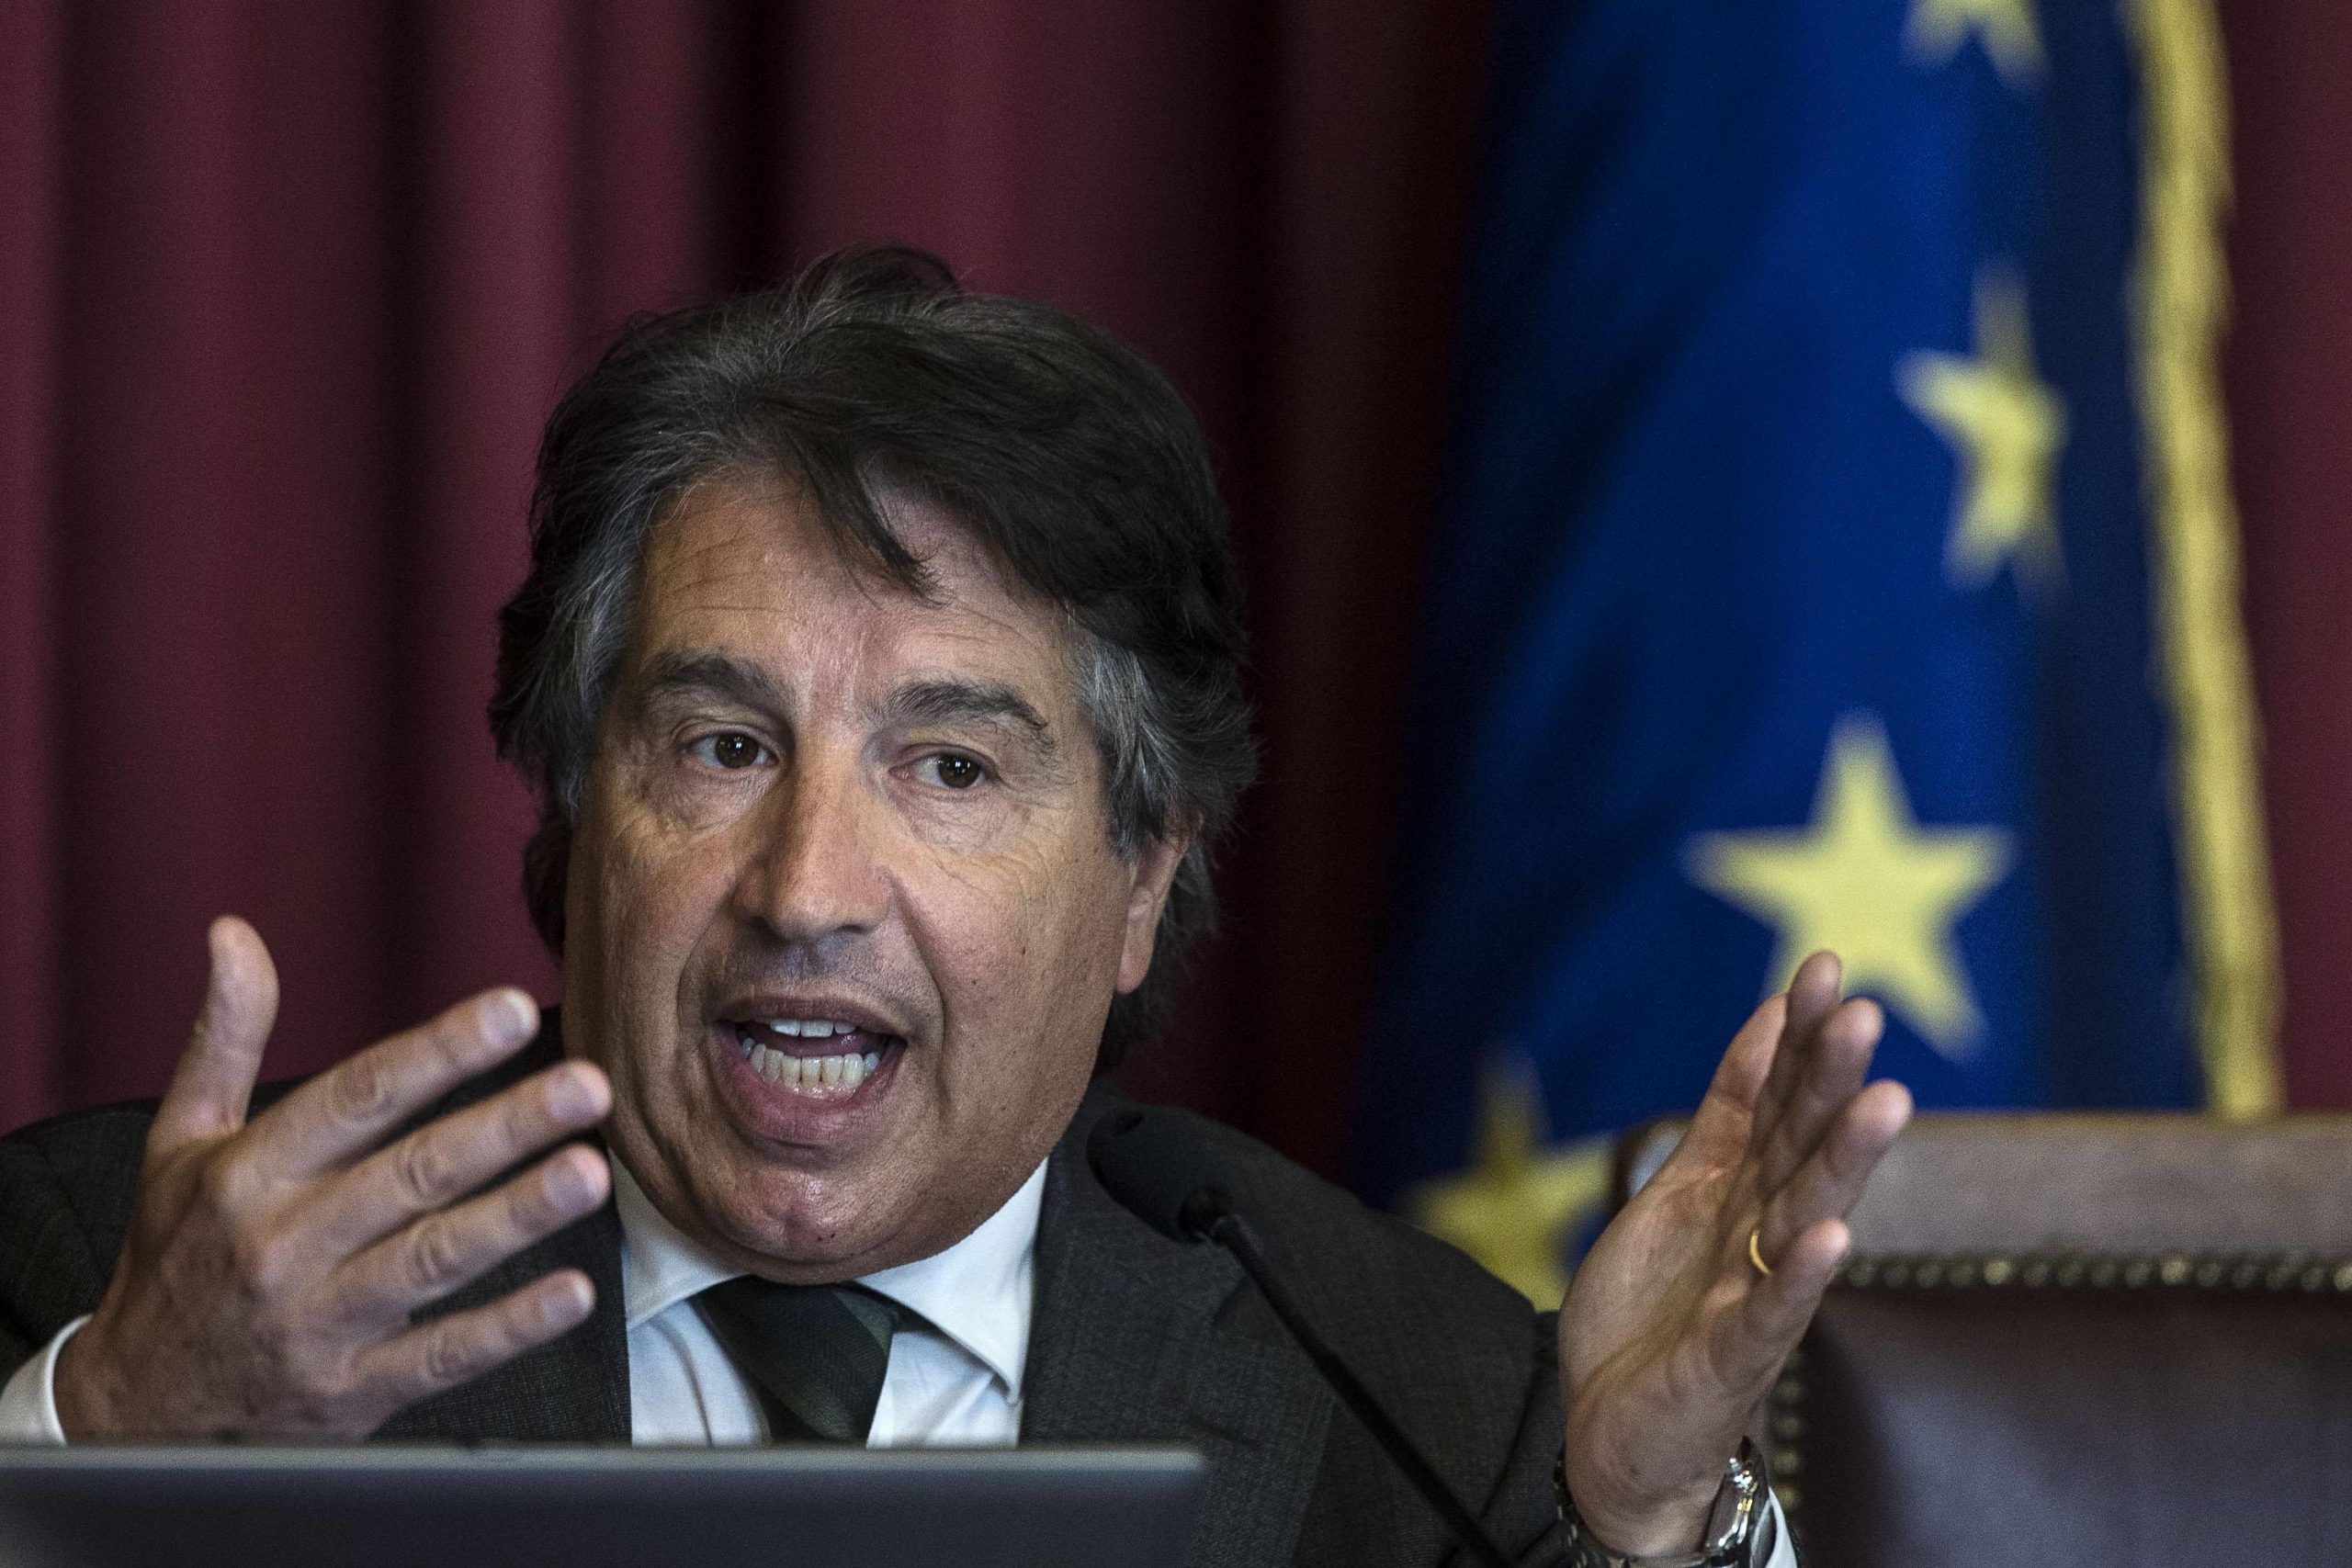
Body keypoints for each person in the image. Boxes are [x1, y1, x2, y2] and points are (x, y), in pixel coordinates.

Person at [0, 247, 1910, 1566]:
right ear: (577, 820)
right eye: (723, 745)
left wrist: (1639, 1536)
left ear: (1142, 877)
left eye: (951, 767)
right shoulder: (115, 1283)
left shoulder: (1418, 1399)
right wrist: (108, 1446)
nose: (808, 889)